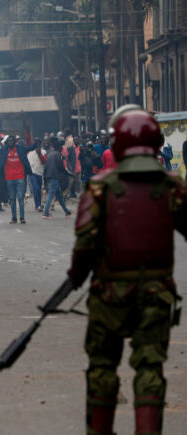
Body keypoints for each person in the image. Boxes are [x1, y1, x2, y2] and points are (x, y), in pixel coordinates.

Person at [68, 105, 185, 435]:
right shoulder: (172, 187)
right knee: (150, 367)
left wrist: (76, 277)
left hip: (107, 297)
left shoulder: (100, 188)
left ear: (116, 142)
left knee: (103, 367)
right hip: (157, 294)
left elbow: (84, 245)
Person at [0, 135, 36, 223]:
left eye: (12, 141)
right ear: (7, 142)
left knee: (20, 197)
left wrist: (36, 143)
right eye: (9, 141)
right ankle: (14, 217)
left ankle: (22, 217)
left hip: (20, 177)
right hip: (9, 179)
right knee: (12, 198)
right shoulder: (4, 150)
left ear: (15, 142)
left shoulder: (21, 149)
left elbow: (30, 148)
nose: (10, 142)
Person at [42, 138, 72, 218]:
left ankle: (66, 211)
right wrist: (68, 173)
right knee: (51, 194)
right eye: (61, 147)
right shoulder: (58, 155)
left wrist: (44, 178)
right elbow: (60, 167)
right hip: (55, 176)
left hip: (49, 176)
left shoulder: (50, 154)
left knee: (59, 196)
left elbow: (45, 166)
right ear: (59, 147)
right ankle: (45, 213)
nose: (62, 148)